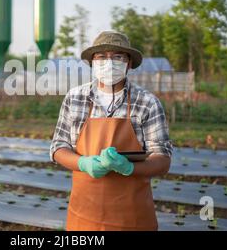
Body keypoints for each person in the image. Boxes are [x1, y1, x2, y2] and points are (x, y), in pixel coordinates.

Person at [50, 30, 173, 231]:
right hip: (84, 215)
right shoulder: (75, 99)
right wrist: (83, 162)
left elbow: (163, 159)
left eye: (117, 56)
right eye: (101, 57)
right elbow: (58, 147)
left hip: (132, 217)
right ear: (92, 62)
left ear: (129, 63)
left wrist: (130, 168)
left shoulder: (147, 103)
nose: (109, 62)